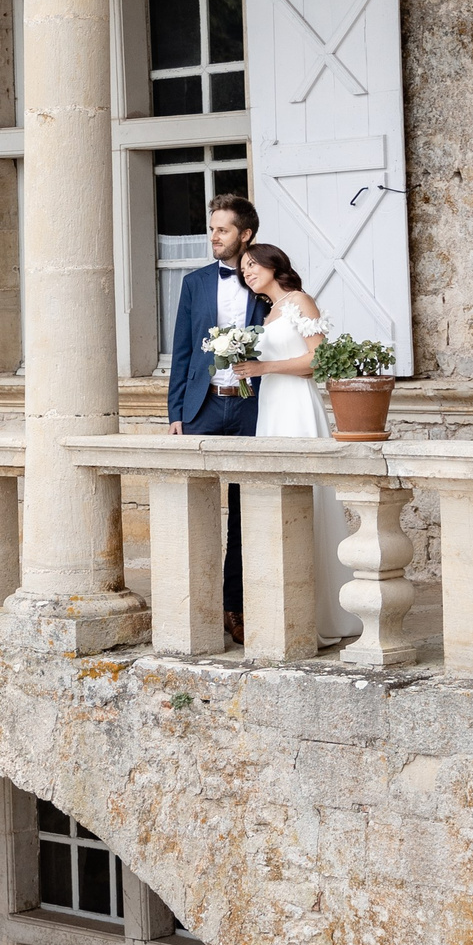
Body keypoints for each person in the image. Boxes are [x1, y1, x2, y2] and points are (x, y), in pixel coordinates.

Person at [230, 240, 360, 646]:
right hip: (270, 407)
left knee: (310, 499)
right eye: (243, 268)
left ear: (274, 265)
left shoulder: (300, 301)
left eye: (253, 265)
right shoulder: (266, 313)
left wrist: (263, 366)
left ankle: (326, 612)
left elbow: (318, 359)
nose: (247, 271)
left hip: (298, 409)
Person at [166, 196, 265, 639]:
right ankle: (193, 607)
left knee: (248, 512)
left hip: (250, 406)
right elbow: (182, 350)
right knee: (192, 510)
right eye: (211, 229)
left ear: (244, 234)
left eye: (222, 229)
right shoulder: (195, 283)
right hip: (201, 405)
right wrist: (175, 412)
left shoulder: (266, 281)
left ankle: (237, 607)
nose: (213, 237)